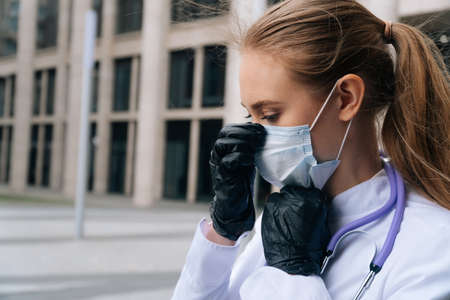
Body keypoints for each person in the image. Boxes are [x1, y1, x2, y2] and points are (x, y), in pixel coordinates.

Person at [171, 0, 450, 299]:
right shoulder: (282, 221)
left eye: (269, 115)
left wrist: (293, 274)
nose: (255, 134)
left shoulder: (434, 244)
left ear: (346, 98)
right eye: (248, 116)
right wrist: (223, 233)